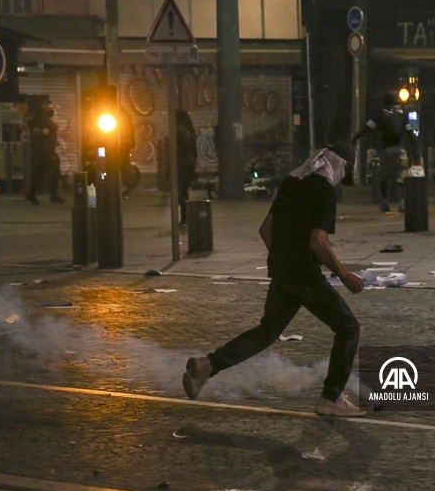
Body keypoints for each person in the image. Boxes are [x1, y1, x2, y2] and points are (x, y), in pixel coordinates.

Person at [181, 144, 366, 417]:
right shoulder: (325, 191)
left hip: (283, 270)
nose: (342, 177)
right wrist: (345, 275)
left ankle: (208, 365)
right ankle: (331, 398)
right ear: (340, 166)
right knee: (348, 328)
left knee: (267, 331)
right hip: (305, 274)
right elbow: (318, 243)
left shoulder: (291, 183)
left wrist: (283, 259)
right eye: (345, 171)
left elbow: (265, 229)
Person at [352, 91, 420, 213]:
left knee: (383, 177)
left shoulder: (380, 114)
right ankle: (403, 202)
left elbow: (367, 128)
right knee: (402, 176)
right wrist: (415, 155)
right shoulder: (402, 115)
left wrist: (354, 139)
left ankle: (384, 202)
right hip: (400, 150)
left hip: (386, 150)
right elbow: (411, 134)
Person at [27, 102, 64, 204]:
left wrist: (57, 143)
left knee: (42, 172)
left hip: (49, 150)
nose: (52, 110)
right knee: (53, 171)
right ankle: (52, 195)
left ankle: (33, 194)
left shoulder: (49, 120)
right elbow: (34, 130)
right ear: (44, 109)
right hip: (45, 151)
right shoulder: (42, 120)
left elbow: (51, 135)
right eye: (49, 108)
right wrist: (41, 132)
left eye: (52, 108)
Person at [176, 109, 198, 225]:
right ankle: (185, 217)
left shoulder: (179, 129)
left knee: (176, 191)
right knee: (184, 190)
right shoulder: (190, 129)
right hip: (190, 163)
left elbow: (178, 150)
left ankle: (187, 211)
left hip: (182, 163)